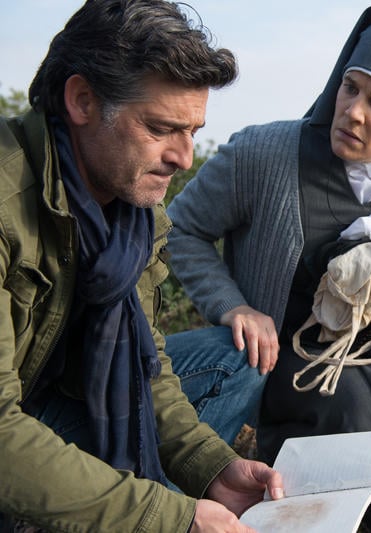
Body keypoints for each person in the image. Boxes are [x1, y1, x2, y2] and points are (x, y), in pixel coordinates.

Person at [167, 6, 371, 532]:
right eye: (350, 88)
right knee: (350, 412)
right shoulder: (264, 154)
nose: (353, 112)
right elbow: (178, 229)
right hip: (291, 359)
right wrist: (232, 306)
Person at [0, 1, 284, 531]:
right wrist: (168, 517)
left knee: (237, 357)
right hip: (9, 423)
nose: (184, 157)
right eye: (160, 127)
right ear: (83, 100)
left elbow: (144, 366)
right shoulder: (4, 205)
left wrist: (213, 468)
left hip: (46, 399)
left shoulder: (136, 216)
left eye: (193, 131)